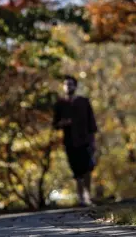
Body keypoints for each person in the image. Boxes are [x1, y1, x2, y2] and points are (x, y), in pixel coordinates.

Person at [52, 75, 98, 206]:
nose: (68, 87)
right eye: (66, 84)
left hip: (85, 140)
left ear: (75, 86)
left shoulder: (84, 102)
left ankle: (88, 196)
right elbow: (55, 124)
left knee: (88, 168)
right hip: (70, 142)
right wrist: (63, 123)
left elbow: (92, 123)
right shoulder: (60, 104)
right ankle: (81, 199)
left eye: (71, 84)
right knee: (77, 171)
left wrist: (93, 142)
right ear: (63, 86)